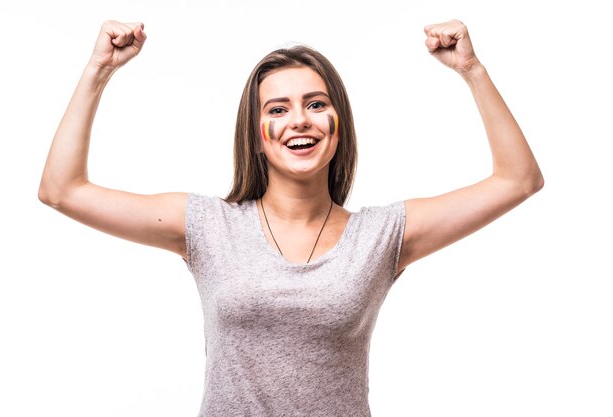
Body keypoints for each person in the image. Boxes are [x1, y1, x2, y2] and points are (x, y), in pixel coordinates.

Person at [39, 19, 543, 416]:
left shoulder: (383, 236)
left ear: (337, 123)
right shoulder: (207, 226)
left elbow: (517, 180)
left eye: (315, 104)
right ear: (256, 134)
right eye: (277, 109)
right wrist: (98, 71)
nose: (299, 119)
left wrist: (471, 69)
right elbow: (62, 191)